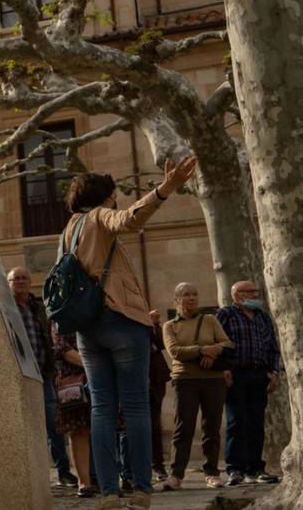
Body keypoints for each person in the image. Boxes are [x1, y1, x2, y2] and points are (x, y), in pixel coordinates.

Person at [58, 156, 198, 509]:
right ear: (104, 197)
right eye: (112, 195)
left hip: (87, 329)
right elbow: (128, 220)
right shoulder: (100, 216)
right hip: (121, 319)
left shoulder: (67, 231)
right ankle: (139, 489)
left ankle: (107, 492)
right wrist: (165, 188)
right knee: (135, 406)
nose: (115, 200)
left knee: (101, 409)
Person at [159, 283, 232, 491]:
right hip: (185, 380)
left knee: (212, 426)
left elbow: (227, 344)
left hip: (214, 380)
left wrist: (214, 350)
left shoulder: (210, 320)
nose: (191, 298)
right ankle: (176, 475)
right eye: (186, 295)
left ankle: (212, 473)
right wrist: (202, 350)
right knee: (184, 427)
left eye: (194, 294)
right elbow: (175, 352)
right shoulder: (170, 326)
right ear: (176, 300)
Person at [7, 266, 75, 488]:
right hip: (17, 375)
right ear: (8, 283)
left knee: (54, 422)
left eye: (24, 278)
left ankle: (63, 471)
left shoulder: (38, 307)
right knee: (20, 424)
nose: (20, 281)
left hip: (43, 372)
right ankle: (26, 473)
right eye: (15, 278)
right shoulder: (5, 308)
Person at [215, 280, 283, 486]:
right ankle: (235, 469)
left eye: (256, 291)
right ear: (236, 295)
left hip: (259, 374)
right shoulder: (225, 314)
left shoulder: (262, 316)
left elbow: (272, 345)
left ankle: (256, 468)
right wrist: (223, 369)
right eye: (250, 291)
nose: (255, 294)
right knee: (236, 421)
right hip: (236, 375)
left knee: (256, 423)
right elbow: (215, 342)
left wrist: (273, 371)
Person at [52, 326, 96, 498]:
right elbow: (62, 347)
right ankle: (84, 482)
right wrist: (92, 363)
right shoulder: (59, 314)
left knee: (105, 427)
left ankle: (107, 479)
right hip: (72, 377)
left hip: (100, 374)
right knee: (78, 430)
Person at [146, 310, 172, 481]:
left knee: (154, 423)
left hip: (155, 378)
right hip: (132, 377)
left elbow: (161, 344)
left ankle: (158, 465)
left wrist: (153, 325)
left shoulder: (150, 323)